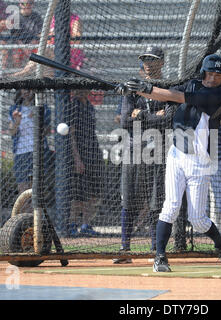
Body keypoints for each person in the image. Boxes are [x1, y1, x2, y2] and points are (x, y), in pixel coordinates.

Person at [116, 53, 221, 271]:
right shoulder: (191, 84)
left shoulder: (217, 93)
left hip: (200, 161)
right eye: (211, 73)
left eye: (219, 74)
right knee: (169, 207)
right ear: (204, 72)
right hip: (177, 154)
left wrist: (143, 89)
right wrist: (132, 91)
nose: (215, 78)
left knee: (197, 220)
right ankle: (160, 257)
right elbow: (166, 95)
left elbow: (175, 96)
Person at [114, 46, 175, 263]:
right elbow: (125, 121)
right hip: (133, 148)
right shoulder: (132, 86)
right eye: (145, 59)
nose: (148, 63)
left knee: (155, 199)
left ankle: (153, 248)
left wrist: (141, 115)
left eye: (153, 59)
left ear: (162, 62)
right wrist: (152, 115)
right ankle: (125, 249)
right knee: (128, 197)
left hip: (159, 149)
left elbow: (168, 119)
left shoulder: (168, 87)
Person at [66, 89, 105, 237]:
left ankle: (86, 225)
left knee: (93, 193)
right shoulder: (73, 106)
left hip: (93, 152)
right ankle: (72, 224)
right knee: (78, 195)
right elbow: (71, 135)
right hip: (80, 154)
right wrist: (77, 159)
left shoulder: (89, 105)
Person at [8, 89, 52, 211]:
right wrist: (17, 121)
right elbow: (12, 132)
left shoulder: (43, 108)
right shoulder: (15, 109)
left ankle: (35, 219)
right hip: (21, 151)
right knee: (23, 189)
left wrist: (37, 119)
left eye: (29, 89)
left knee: (36, 190)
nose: (26, 92)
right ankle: (24, 219)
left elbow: (47, 131)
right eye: (23, 89)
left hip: (38, 151)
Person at [10, 12, 84, 78]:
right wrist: (48, 35)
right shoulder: (53, 18)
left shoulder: (75, 19)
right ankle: (26, 73)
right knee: (44, 55)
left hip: (68, 54)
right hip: (53, 53)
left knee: (45, 52)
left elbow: (77, 40)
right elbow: (46, 37)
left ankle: (24, 72)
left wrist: (60, 35)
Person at [3, 0, 43, 69]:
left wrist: (32, 44)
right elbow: (15, 36)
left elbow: (39, 33)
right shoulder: (16, 17)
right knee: (16, 55)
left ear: (32, 4)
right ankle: (18, 74)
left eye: (29, 3)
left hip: (34, 43)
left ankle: (35, 72)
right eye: (24, 4)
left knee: (40, 53)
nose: (26, 6)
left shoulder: (37, 16)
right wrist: (24, 48)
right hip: (20, 44)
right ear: (20, 5)